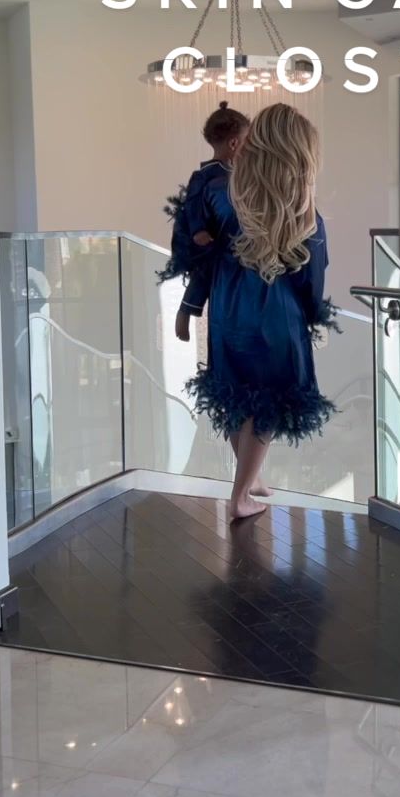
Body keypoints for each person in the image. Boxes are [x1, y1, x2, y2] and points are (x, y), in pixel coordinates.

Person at [186, 102, 339, 520]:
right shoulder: (304, 216)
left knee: (236, 395)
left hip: (227, 312)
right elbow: (312, 281)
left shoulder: (224, 197)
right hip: (276, 318)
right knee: (266, 404)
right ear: (299, 157)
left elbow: (202, 255)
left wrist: (193, 304)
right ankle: (239, 497)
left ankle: (249, 477)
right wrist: (313, 317)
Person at [157, 101, 249, 341]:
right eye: (247, 142)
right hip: (209, 235)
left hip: (226, 237)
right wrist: (198, 230)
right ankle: (185, 310)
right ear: (234, 143)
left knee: (213, 272)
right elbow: (193, 204)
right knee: (205, 272)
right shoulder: (206, 175)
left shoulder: (236, 175)